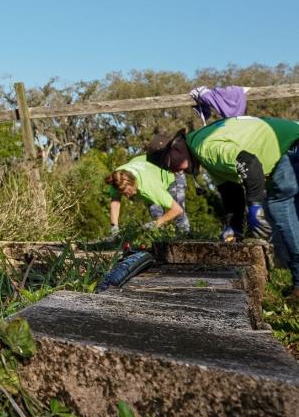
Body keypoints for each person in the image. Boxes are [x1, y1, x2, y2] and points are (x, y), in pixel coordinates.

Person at [152, 116, 299, 299]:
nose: (175, 171)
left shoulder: (205, 147)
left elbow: (248, 162)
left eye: (169, 164)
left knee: (279, 205)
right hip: (287, 146)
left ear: (176, 147)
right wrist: (233, 225)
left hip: (289, 146)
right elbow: (231, 192)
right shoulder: (203, 152)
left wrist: (255, 205)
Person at [105, 155, 189, 236]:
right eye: (124, 194)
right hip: (148, 168)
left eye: (129, 191)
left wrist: (155, 224)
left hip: (171, 172)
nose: (127, 196)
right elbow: (115, 202)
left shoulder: (150, 187)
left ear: (134, 182)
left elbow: (177, 210)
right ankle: (162, 242)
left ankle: (186, 239)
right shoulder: (117, 180)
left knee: (179, 217)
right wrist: (114, 228)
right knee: (156, 214)